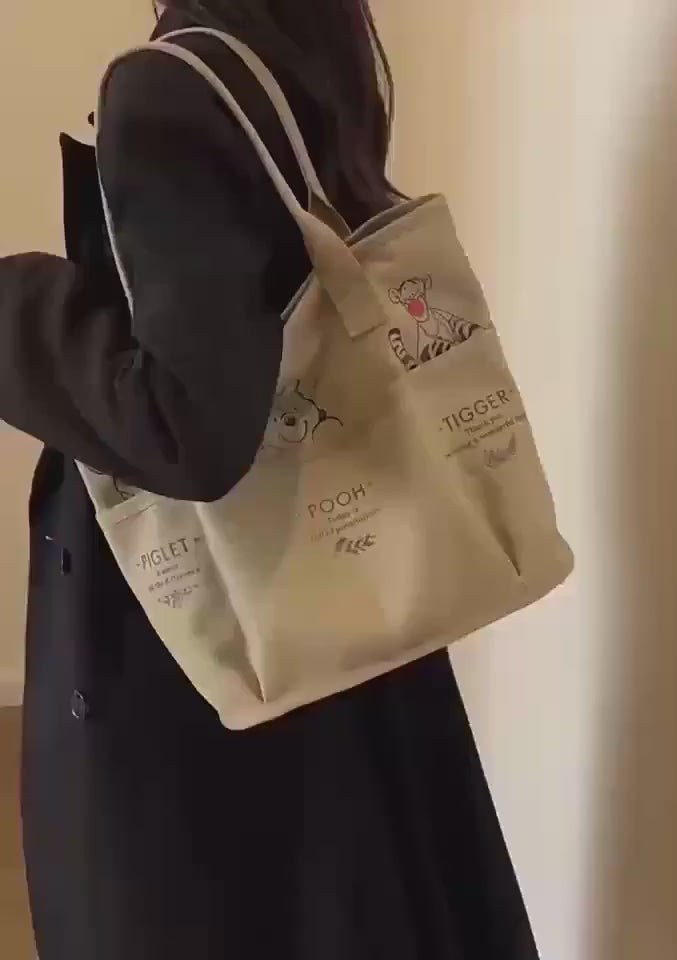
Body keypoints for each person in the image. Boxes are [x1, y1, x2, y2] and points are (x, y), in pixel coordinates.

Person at [0, 2, 540, 957]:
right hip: (335, 605)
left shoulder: (169, 86)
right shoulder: (303, 45)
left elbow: (184, 427)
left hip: (217, 649)